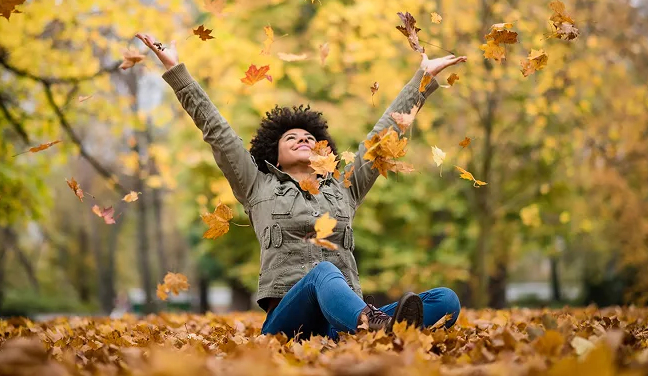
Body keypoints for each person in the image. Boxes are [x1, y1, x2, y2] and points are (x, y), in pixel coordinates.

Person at [136, 32, 466, 340]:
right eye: (291, 138)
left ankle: (374, 329)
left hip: (341, 323)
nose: (303, 139)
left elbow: (381, 140)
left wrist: (422, 80)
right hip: (288, 324)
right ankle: (372, 326)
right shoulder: (256, 185)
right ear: (274, 156)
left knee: (445, 300)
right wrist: (177, 72)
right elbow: (219, 134)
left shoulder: (343, 187)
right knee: (322, 271)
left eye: (309, 137)